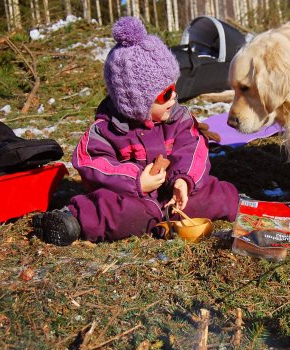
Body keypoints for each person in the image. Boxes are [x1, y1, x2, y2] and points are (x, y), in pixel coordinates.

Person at [32, 17, 239, 246]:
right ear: (137, 102)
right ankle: (71, 218)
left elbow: (194, 147)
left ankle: (241, 203)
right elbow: (92, 164)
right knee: (115, 210)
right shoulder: (107, 131)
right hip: (134, 199)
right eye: (165, 95)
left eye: (174, 88)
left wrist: (183, 181)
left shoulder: (178, 119)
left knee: (212, 194)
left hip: (171, 195)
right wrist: (135, 181)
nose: (174, 98)